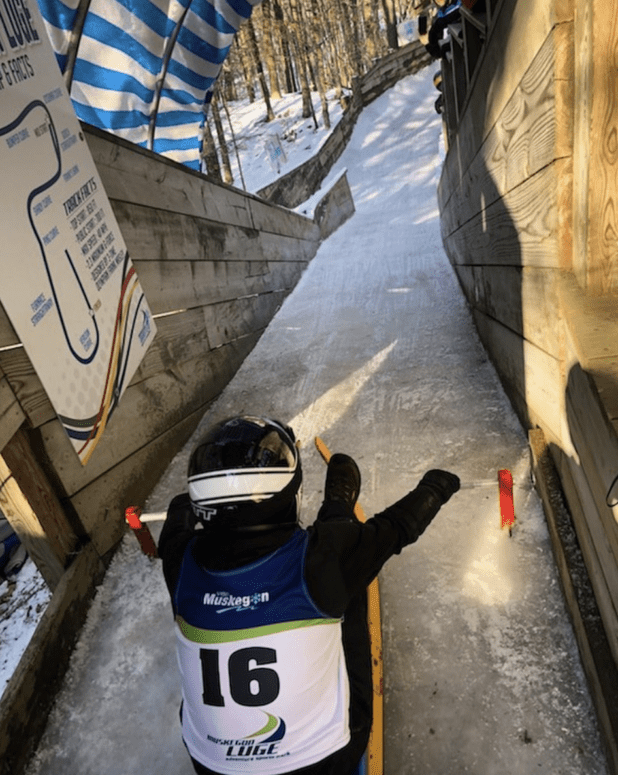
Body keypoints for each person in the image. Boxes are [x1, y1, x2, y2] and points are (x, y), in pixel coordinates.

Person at [158, 415, 460, 775]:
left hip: (211, 767)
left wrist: (183, 507)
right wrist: (437, 487)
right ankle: (338, 509)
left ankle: (338, 514)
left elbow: (177, 525)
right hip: (323, 763)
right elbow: (396, 529)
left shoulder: (179, 558)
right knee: (348, 587)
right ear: (289, 497)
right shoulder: (321, 558)